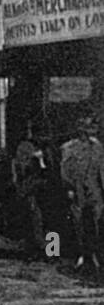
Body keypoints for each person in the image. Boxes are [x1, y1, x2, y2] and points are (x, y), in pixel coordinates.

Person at [59, 115, 104, 271]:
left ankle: (96, 255)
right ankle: (81, 254)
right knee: (78, 224)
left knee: (98, 222)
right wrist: (69, 188)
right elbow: (65, 171)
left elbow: (102, 169)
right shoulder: (68, 148)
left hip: (94, 189)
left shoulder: (98, 147)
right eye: (87, 128)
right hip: (78, 189)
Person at [13, 120, 51, 259]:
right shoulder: (25, 147)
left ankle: (51, 251)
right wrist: (33, 159)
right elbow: (21, 168)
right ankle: (34, 250)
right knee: (34, 218)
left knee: (47, 219)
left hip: (44, 187)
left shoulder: (47, 148)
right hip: (30, 188)